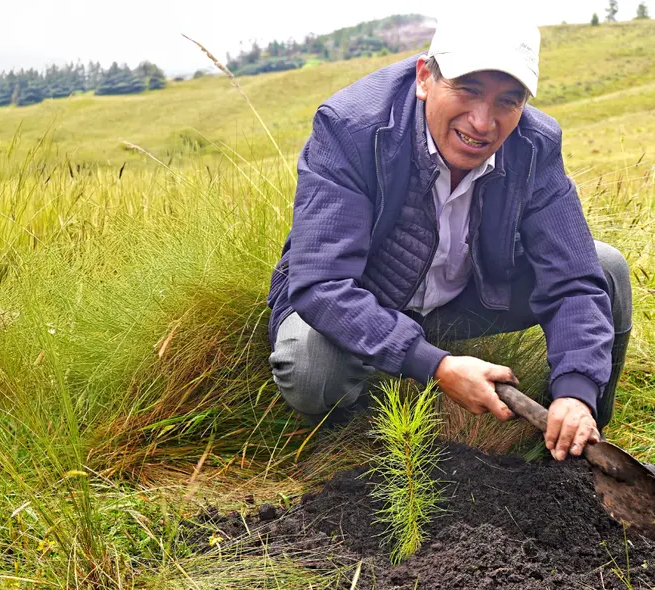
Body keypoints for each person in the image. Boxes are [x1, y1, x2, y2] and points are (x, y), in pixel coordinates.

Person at [266, 17, 632, 462]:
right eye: (468, 90)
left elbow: (573, 278)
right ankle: (359, 446)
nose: (483, 122)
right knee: (311, 369)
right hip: (371, 298)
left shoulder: (535, 145)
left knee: (605, 267)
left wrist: (577, 391)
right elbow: (320, 284)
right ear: (425, 77)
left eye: (508, 101)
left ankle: (575, 441)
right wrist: (435, 366)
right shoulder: (351, 127)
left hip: (467, 300)